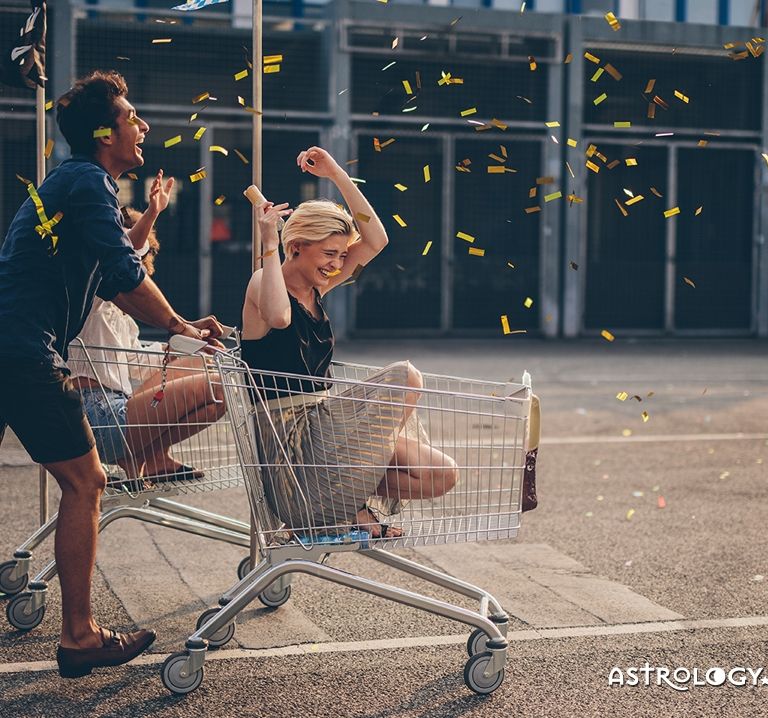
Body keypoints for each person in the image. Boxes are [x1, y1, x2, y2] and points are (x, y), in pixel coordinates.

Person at [0, 70, 223, 678]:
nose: (142, 126)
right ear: (104, 133)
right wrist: (179, 324)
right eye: (131, 117)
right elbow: (126, 273)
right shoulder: (89, 182)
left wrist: (178, 324)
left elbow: (116, 283)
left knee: (86, 480)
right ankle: (79, 637)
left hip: (13, 343)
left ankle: (80, 635)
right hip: (21, 348)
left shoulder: (72, 182)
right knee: (87, 481)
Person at [240, 146, 459, 540]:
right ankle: (352, 508)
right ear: (296, 246)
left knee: (440, 473)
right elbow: (279, 317)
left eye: (341, 255)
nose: (337, 264)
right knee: (406, 377)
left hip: (325, 438)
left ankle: (349, 499)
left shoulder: (318, 286)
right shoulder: (262, 281)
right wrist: (269, 240)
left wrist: (337, 175)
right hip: (292, 451)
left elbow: (376, 240)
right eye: (329, 253)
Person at [67, 202, 225, 484]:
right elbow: (123, 253)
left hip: (115, 405)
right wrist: (153, 212)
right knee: (218, 386)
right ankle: (145, 457)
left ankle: (152, 458)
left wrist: (180, 347)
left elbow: (135, 361)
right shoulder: (92, 290)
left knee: (207, 374)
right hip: (95, 413)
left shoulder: (121, 312)